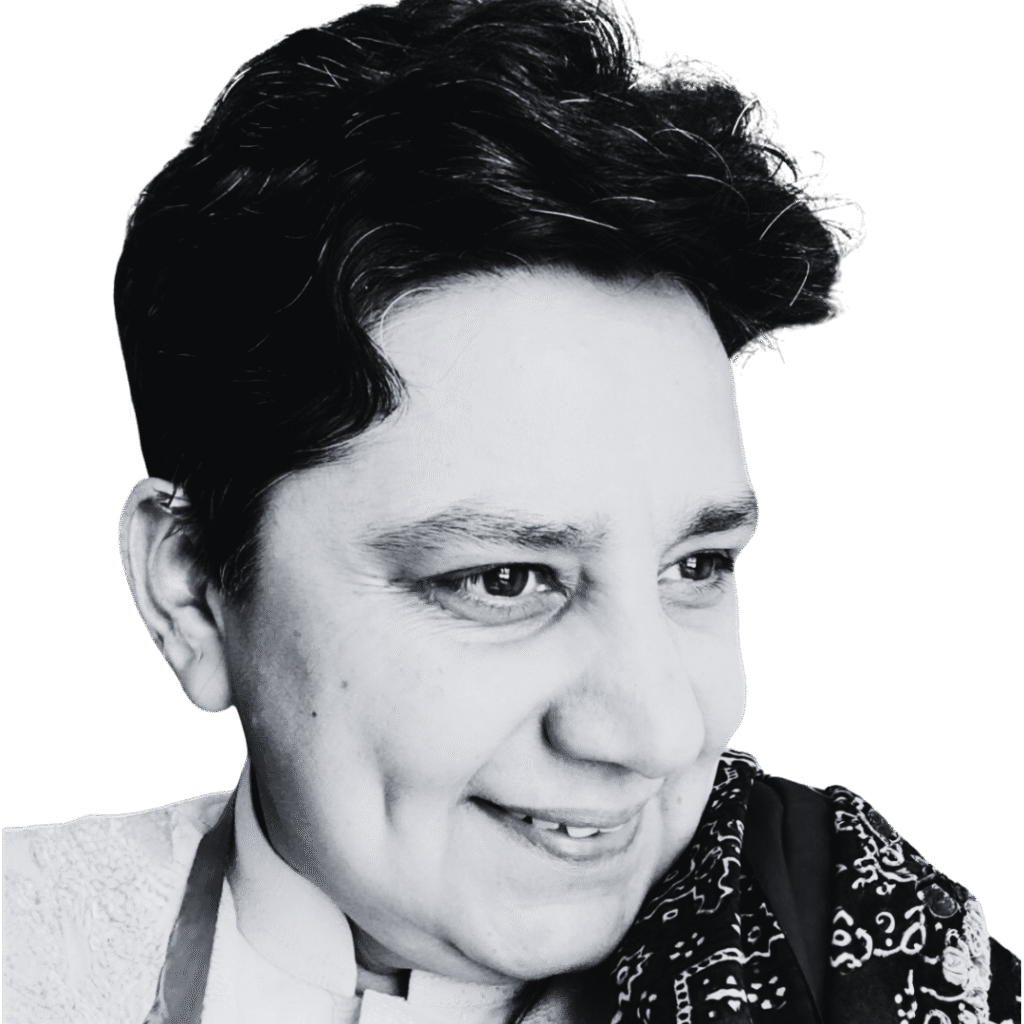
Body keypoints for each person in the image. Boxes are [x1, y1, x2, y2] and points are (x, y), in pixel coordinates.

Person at [3, 0, 1019, 1021]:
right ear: (192, 591)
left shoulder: (880, 955)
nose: (661, 730)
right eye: (505, 579)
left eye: (698, 566)